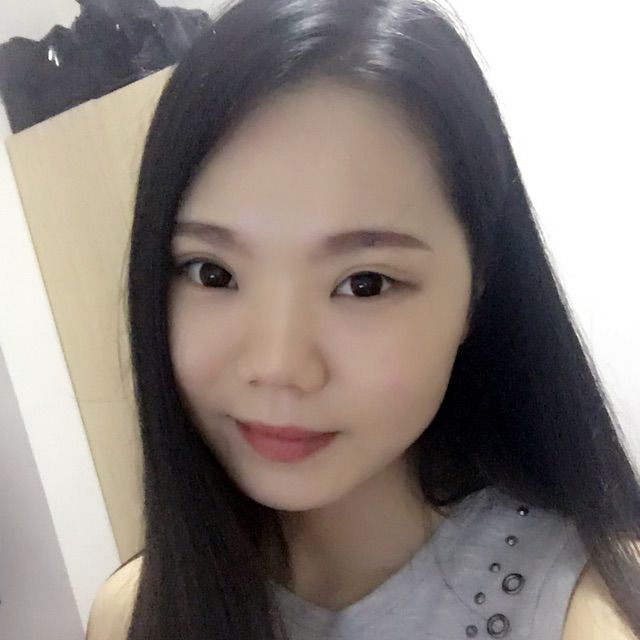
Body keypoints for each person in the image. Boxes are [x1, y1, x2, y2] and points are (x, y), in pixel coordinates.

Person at [86, 0, 640, 638]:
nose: (277, 366)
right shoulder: (132, 614)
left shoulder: (590, 614)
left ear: (478, 290)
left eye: (364, 284)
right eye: (213, 273)